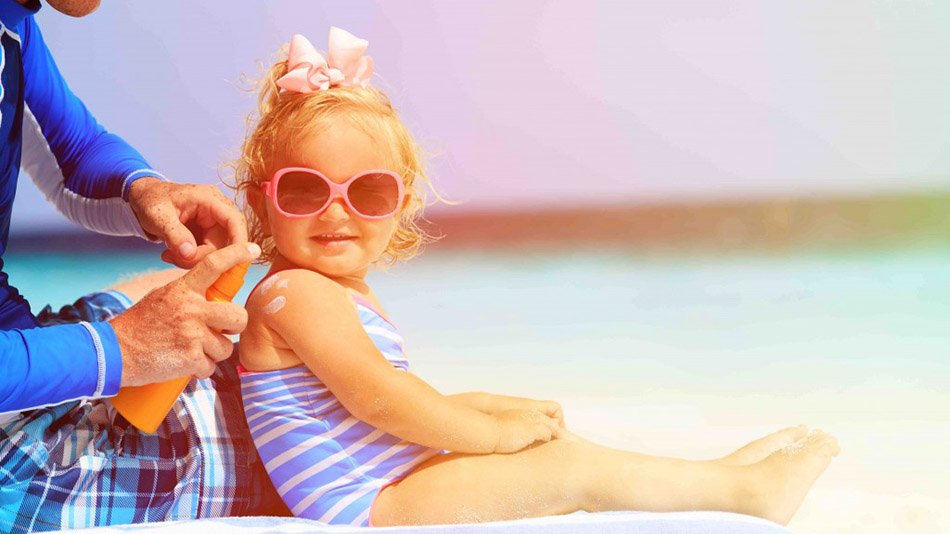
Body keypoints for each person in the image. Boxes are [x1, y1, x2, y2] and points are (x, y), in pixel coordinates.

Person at [234, 28, 840, 528]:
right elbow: (382, 401)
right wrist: (492, 436)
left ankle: (720, 481)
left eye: (367, 191)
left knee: (561, 455)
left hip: (391, 485)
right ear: (263, 204)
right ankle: (746, 493)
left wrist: (495, 409)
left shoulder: (334, 294)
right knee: (567, 472)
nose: (336, 212)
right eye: (305, 190)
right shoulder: (299, 295)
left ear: (402, 203)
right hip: (370, 508)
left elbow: (385, 402)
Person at [0, 1, 282, 530]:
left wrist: (146, 192)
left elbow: (73, 148)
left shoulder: (12, 21)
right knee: (252, 457)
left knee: (181, 299)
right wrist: (120, 349)